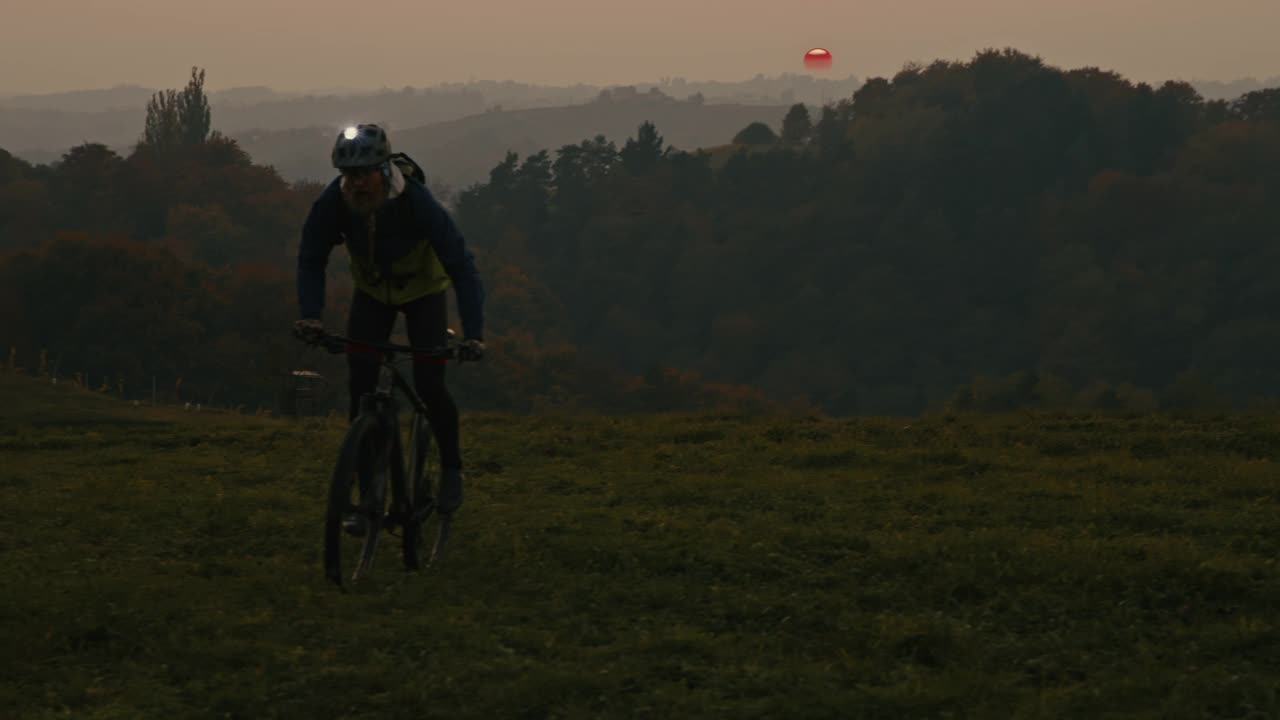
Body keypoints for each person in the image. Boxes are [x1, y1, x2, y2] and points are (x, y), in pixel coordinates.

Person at [294, 123, 485, 517]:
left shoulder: (418, 203)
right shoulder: (335, 202)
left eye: (363, 175)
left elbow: (462, 267)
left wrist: (474, 334)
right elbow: (311, 257)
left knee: (430, 384)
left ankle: (452, 470)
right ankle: (367, 494)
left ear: (383, 172)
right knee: (361, 385)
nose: (356, 184)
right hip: (373, 294)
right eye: (348, 176)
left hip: (424, 294)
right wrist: (311, 317)